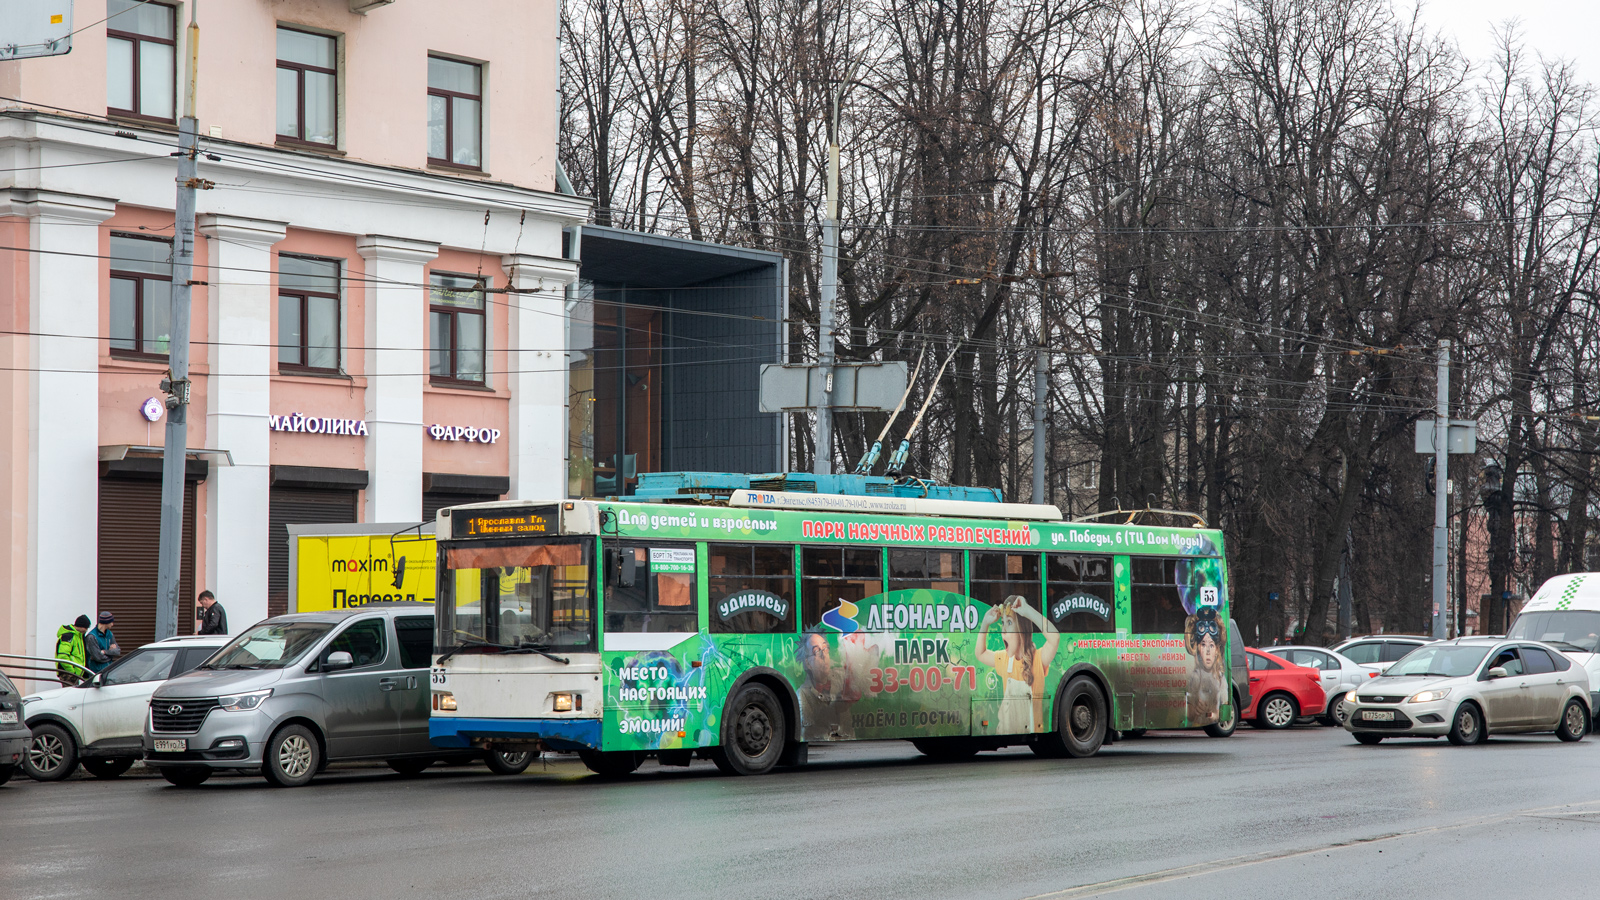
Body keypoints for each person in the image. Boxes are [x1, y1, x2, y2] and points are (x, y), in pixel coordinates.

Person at [975, 595, 1060, 734]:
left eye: (1009, 623)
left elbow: (1054, 637)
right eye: (1002, 622)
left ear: (1021, 629)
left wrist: (1028, 611)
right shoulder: (1004, 659)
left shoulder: (1038, 659)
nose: (1003, 630)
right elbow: (980, 653)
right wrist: (985, 623)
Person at [1186, 607, 1225, 722]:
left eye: (1211, 645)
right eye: (1203, 644)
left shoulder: (1221, 678)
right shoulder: (1196, 677)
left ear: (1217, 649)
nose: (1208, 651)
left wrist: (1214, 715)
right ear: (1197, 648)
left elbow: (1220, 711)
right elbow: (1189, 715)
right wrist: (1196, 711)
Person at [54, 615, 90, 686]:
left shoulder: (78, 636)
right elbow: (62, 656)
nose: (86, 630)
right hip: (68, 674)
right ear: (81, 626)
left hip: (74, 674)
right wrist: (72, 671)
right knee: (70, 695)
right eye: (86, 628)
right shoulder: (68, 636)